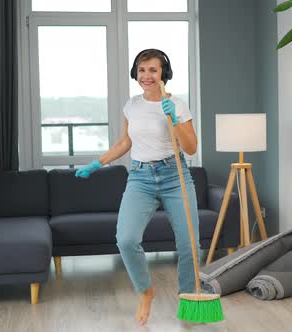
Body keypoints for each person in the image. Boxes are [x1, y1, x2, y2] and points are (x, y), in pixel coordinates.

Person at [75, 49, 200, 325]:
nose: (147, 76)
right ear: (136, 73)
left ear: (163, 74)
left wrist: (175, 121)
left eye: (153, 70)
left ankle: (189, 299)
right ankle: (146, 291)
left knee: (189, 243)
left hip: (174, 176)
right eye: (142, 70)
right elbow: (124, 143)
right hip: (140, 178)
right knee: (127, 239)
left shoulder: (176, 105)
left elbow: (191, 147)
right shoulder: (131, 105)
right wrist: (97, 163)